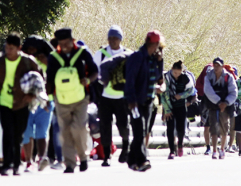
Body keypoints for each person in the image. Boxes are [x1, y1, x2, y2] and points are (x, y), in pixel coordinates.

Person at [0, 32, 40, 176]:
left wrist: (32, 95)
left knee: (18, 135)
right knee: (7, 133)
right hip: (4, 103)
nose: (8, 50)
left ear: (19, 48)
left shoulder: (28, 62)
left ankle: (16, 164)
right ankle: (6, 164)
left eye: (12, 48)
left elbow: (39, 80)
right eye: (7, 47)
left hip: (22, 104)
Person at [47, 28, 97, 173]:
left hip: (81, 99)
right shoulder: (53, 57)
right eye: (60, 43)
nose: (64, 46)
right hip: (61, 99)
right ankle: (69, 164)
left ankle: (83, 157)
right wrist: (48, 98)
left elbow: (95, 72)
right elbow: (50, 80)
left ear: (72, 40)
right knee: (65, 131)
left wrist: (87, 80)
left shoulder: (82, 53)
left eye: (66, 43)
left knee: (79, 128)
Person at [124, 30, 165, 172]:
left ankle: (131, 159)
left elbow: (159, 76)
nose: (157, 48)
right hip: (135, 101)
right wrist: (131, 100)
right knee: (139, 131)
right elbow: (130, 79)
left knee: (143, 131)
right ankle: (142, 160)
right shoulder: (137, 57)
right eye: (156, 45)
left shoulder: (153, 59)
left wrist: (160, 61)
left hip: (148, 101)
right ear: (150, 43)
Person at [93, 25, 131, 167]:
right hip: (105, 97)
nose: (112, 41)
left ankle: (126, 147)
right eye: (110, 38)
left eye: (115, 38)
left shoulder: (128, 54)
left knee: (122, 126)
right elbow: (94, 72)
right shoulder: (101, 54)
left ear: (120, 39)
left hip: (122, 98)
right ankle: (107, 156)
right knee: (105, 127)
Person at [202, 57, 237, 160]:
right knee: (213, 127)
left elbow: (234, 92)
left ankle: (222, 149)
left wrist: (225, 103)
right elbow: (207, 90)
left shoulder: (228, 77)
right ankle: (214, 150)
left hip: (226, 105)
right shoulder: (208, 76)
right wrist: (218, 102)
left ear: (222, 66)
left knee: (224, 127)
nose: (216, 68)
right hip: (213, 105)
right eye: (215, 65)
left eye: (218, 65)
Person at [162, 60, 195, 159]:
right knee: (170, 129)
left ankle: (180, 144)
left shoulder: (185, 78)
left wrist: (181, 95)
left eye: (178, 73)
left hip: (181, 106)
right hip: (169, 105)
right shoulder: (166, 77)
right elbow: (163, 94)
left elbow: (191, 90)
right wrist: (166, 110)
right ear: (172, 70)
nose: (176, 75)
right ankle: (172, 150)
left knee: (181, 129)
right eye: (174, 73)